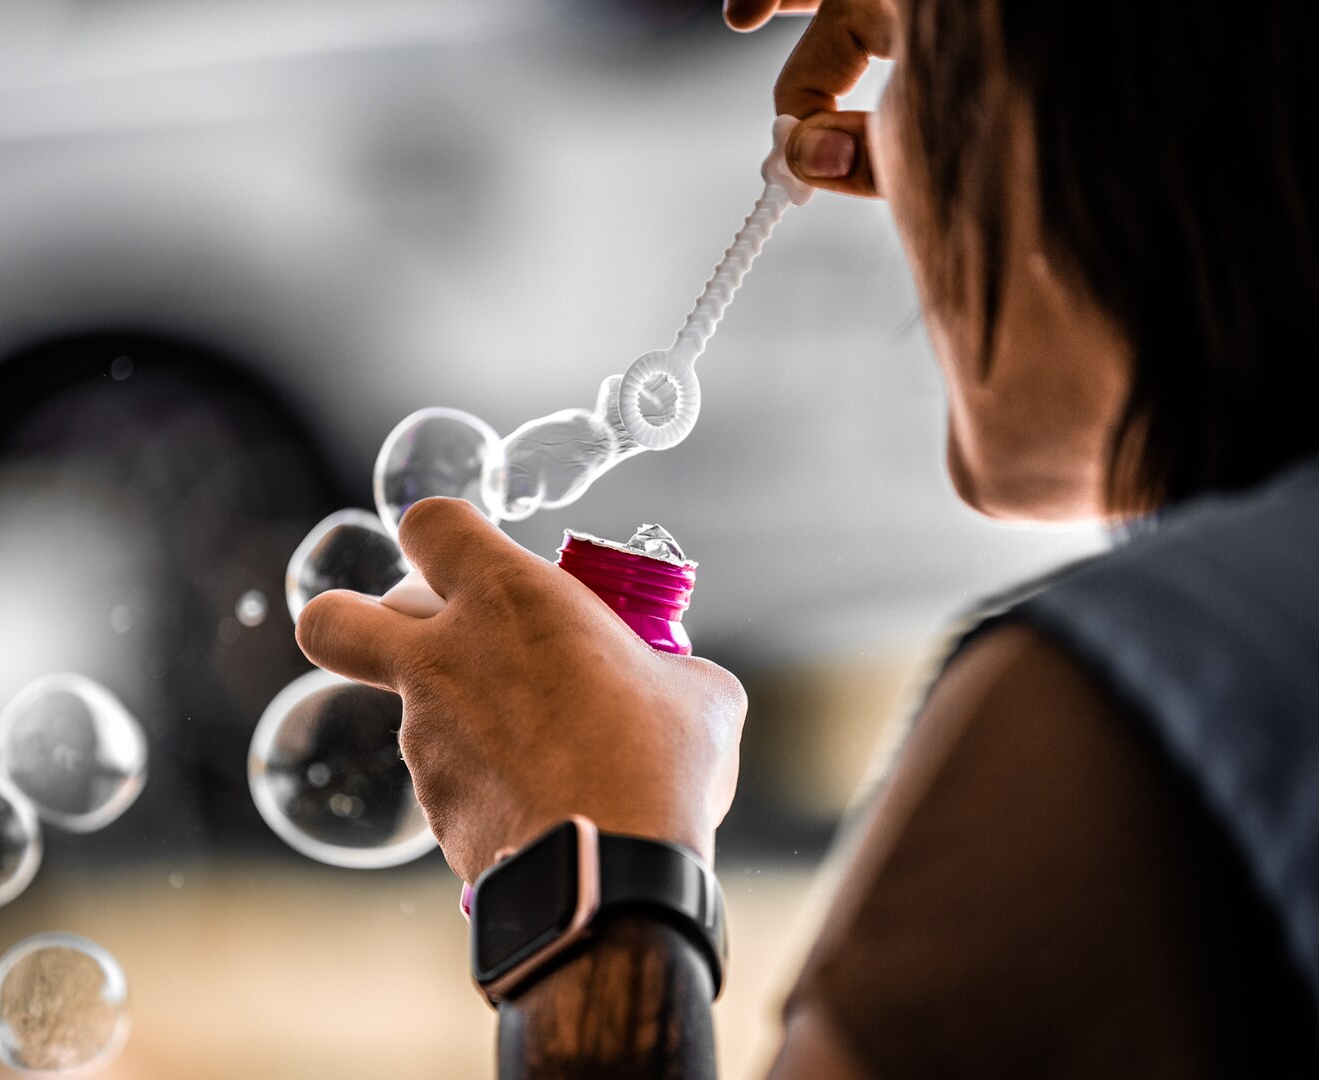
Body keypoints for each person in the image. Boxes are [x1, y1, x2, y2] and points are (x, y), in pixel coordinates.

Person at [297, 0, 1319, 1075]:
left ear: (1085, 117)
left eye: (927, 71)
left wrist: (588, 851)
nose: (895, 175)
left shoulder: (1126, 721)